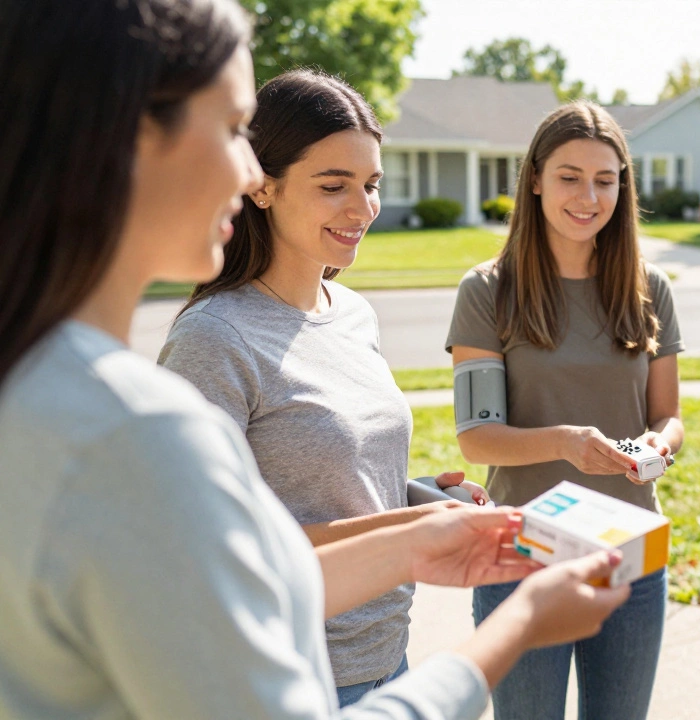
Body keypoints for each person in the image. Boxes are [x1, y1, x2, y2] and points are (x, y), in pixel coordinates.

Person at [0, 2, 628, 717]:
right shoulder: (141, 425)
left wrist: (415, 529)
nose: (245, 166)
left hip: (386, 648)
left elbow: (235, 571)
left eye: (370, 184)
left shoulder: (38, 386)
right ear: (127, 135)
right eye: (235, 129)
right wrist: (518, 625)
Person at [157, 67, 485, 704]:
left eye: (371, 184)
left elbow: (328, 481)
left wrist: (418, 496)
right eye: (334, 185)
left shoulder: (354, 313)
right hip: (284, 676)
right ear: (262, 187)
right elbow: (210, 543)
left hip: (387, 654)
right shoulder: (214, 338)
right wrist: (412, 533)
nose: (363, 209)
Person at [447, 100, 683, 720]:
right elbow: (478, 437)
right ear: (535, 179)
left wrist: (660, 446)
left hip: (629, 551)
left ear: (622, 187)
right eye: (569, 177)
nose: (588, 196)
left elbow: (668, 417)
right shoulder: (486, 290)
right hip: (523, 551)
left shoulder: (648, 286)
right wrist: (565, 442)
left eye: (605, 180)